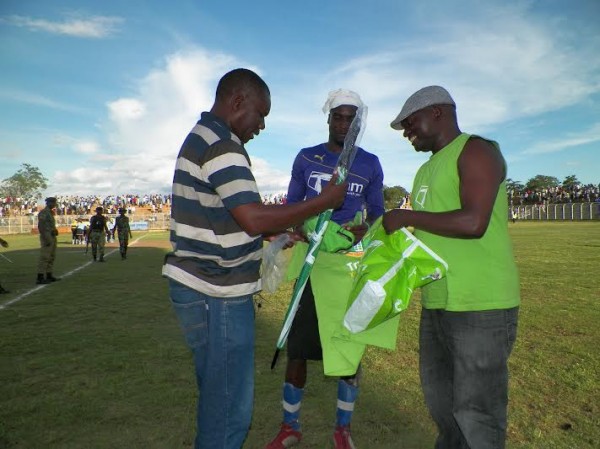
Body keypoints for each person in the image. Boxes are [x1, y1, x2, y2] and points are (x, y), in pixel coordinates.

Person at [161, 68, 347, 449]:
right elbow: (252, 215)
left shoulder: (204, 137)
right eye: (261, 115)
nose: (261, 126)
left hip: (201, 288)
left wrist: (276, 232)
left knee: (217, 398)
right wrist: (324, 201)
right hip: (218, 293)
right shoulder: (223, 144)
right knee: (229, 409)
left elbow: (232, 216)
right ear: (238, 102)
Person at [385, 86, 520, 449]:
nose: (406, 132)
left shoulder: (476, 150)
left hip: (480, 304)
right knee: (443, 407)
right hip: (438, 301)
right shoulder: (425, 169)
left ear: (439, 112)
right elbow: (425, 232)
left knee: (477, 413)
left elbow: (474, 222)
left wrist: (407, 217)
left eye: (410, 122)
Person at [265, 89, 384, 449]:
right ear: (329, 118)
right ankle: (291, 426)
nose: (344, 124)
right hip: (312, 264)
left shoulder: (370, 163)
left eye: (352, 118)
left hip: (348, 266)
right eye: (339, 117)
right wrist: (300, 228)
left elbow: (377, 214)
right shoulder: (306, 157)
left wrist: (366, 228)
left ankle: (342, 429)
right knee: (299, 348)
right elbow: (292, 205)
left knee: (348, 348)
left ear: (358, 124)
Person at [36, 197, 60, 284]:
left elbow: (49, 224)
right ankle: (40, 276)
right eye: (52, 203)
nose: (54, 204)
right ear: (48, 203)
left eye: (54, 203)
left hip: (52, 235)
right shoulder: (44, 212)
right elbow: (41, 226)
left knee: (51, 256)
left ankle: (49, 275)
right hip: (46, 236)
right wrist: (46, 237)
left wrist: (54, 230)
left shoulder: (50, 213)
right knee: (45, 257)